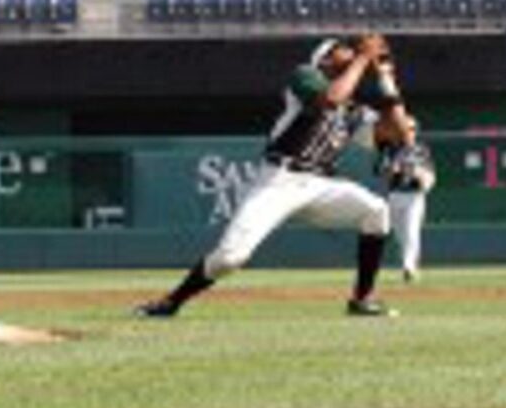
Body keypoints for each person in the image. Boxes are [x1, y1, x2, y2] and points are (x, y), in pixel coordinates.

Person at [135, 33, 401, 319]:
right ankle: (171, 301)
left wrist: (385, 77)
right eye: (341, 49)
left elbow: (400, 132)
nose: (350, 50)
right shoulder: (305, 76)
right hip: (279, 181)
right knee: (230, 258)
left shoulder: (354, 110)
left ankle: (362, 299)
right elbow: (331, 98)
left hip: (320, 183)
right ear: (323, 58)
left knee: (377, 211)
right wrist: (362, 58)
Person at [375, 108, 436, 282]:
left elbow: (430, 173)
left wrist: (424, 178)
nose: (409, 131)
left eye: (412, 128)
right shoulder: (391, 148)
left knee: (411, 232)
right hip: (395, 194)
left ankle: (408, 267)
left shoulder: (422, 150)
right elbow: (379, 169)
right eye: (406, 128)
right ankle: (410, 265)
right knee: (400, 235)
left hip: (414, 195)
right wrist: (390, 170)